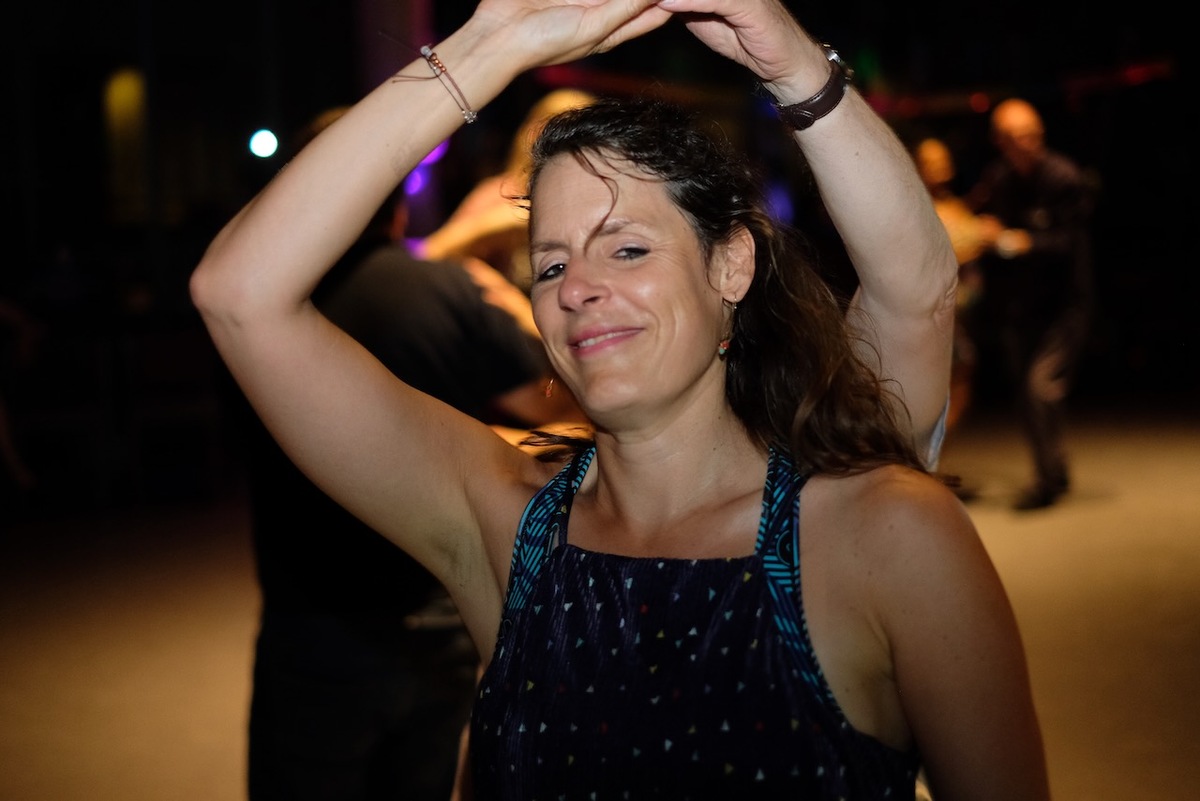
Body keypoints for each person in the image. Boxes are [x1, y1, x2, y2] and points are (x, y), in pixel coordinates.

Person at [191, 1, 1048, 798]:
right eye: (551, 265)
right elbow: (239, 294)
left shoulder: (876, 533)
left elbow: (916, 288)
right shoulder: (503, 520)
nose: (577, 289)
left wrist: (792, 66)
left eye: (627, 249)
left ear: (730, 265)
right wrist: (490, 45)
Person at [237, 106, 585, 801]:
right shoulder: (443, 291)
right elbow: (557, 407)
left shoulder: (258, 311)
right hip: (436, 607)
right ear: (398, 203)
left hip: (314, 615)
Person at [968, 97, 1096, 510]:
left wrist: (1021, 242)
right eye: (1018, 136)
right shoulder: (999, 179)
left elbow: (1069, 241)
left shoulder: (1063, 177)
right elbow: (979, 218)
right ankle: (1053, 470)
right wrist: (984, 228)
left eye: (1033, 134)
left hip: (1065, 305)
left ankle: (1048, 479)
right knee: (1028, 394)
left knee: (1040, 387)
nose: (1029, 142)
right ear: (1000, 141)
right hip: (1020, 307)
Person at [419, 87, 598, 294]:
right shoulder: (501, 194)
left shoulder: (598, 206)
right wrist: (493, 224)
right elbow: (427, 255)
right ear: (532, 135)